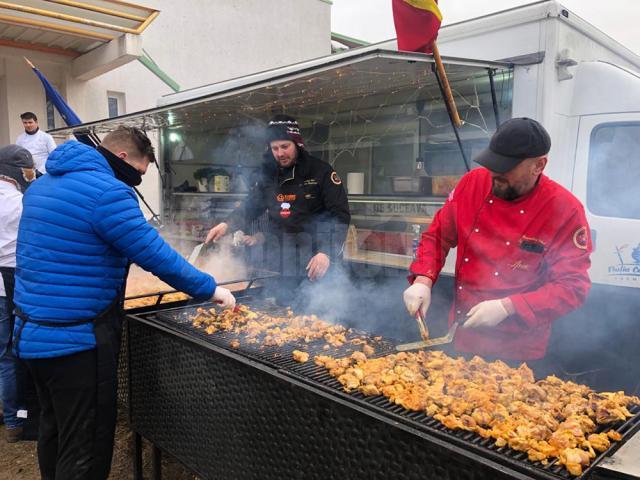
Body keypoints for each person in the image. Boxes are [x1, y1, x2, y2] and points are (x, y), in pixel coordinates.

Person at [13, 127, 236, 479]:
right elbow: (156, 255)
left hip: (32, 335)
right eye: (140, 172)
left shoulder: (41, 186)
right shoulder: (107, 193)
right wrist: (211, 289)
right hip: (77, 343)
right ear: (122, 158)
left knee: (54, 431)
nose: (137, 180)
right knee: (84, 444)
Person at [403, 118, 592, 369]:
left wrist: (509, 306)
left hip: (519, 348)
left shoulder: (565, 210)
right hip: (463, 333)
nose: (495, 174)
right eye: (493, 163)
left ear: (539, 165)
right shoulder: (473, 183)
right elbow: (438, 236)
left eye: (506, 167)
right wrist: (423, 280)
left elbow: (573, 287)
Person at [205, 115, 351, 305]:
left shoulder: (321, 171)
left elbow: (339, 215)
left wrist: (326, 252)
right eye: (275, 148)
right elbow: (251, 206)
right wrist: (227, 224)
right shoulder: (269, 175)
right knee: (286, 314)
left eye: (285, 147)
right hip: (284, 262)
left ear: (297, 143)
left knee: (320, 316)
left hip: (318, 261)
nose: (280, 153)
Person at [0, 145, 36, 443]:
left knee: (1, 353)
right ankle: (17, 420)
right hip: (12, 282)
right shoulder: (20, 203)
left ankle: (9, 414)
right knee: (15, 352)